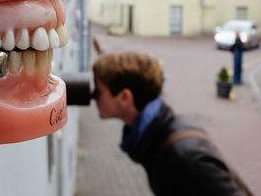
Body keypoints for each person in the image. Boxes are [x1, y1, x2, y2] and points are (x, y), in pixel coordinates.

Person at [91, 51, 249, 196]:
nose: (93, 97)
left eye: (98, 91)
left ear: (124, 97)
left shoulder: (184, 156)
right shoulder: (154, 140)